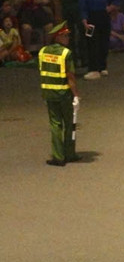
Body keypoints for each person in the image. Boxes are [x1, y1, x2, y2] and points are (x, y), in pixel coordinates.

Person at [39, 21, 79, 166]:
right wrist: (76, 95)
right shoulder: (65, 53)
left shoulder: (42, 52)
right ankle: (69, 153)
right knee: (69, 123)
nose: (68, 38)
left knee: (55, 124)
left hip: (49, 93)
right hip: (64, 93)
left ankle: (58, 156)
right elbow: (71, 77)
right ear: (57, 37)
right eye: (65, 35)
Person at [76, 0, 121, 79]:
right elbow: (82, 6)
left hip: (104, 16)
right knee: (92, 43)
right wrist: (84, 20)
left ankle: (102, 67)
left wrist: (112, 7)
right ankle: (93, 69)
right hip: (91, 17)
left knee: (104, 42)